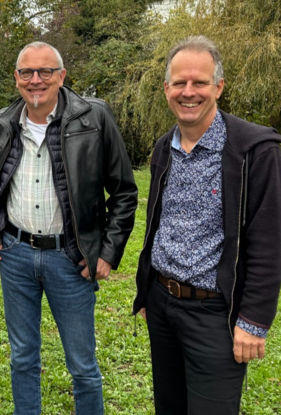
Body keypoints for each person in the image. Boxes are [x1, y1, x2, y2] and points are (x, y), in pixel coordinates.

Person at [0, 41, 138, 414]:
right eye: (27, 72)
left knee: (82, 366)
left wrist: (108, 252)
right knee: (22, 357)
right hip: (16, 257)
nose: (35, 80)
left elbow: (124, 192)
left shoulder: (94, 117)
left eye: (45, 72)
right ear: (16, 78)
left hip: (70, 258)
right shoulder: (4, 120)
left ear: (62, 76)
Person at [133, 35, 281, 414]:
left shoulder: (255, 151)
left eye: (199, 82)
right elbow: (157, 222)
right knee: (170, 407)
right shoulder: (164, 147)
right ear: (166, 88)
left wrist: (254, 320)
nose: (188, 92)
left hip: (217, 314)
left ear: (218, 86)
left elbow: (269, 241)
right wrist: (148, 288)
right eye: (179, 83)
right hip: (163, 305)